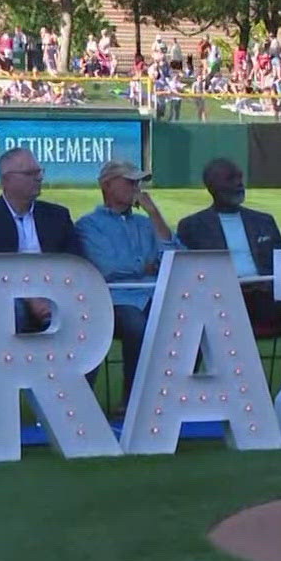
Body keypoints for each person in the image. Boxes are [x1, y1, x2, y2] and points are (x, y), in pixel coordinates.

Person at [77, 158, 178, 401]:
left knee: (189, 321)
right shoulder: (88, 225)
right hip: (115, 299)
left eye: (138, 183)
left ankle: (170, 397)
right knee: (136, 326)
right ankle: (133, 400)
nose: (137, 188)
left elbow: (176, 259)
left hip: (153, 295)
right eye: (130, 182)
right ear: (107, 185)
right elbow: (108, 267)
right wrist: (146, 266)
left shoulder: (146, 223)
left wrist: (155, 214)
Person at [0, 147, 81, 333]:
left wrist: (52, 295)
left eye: (39, 171)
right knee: (11, 313)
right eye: (30, 173)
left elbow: (76, 263)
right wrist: (29, 298)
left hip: (55, 292)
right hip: (5, 295)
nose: (39, 178)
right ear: (6, 180)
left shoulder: (58, 216)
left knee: (80, 314)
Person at [174, 157, 281, 330]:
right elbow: (187, 274)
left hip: (265, 294)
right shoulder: (192, 226)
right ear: (211, 186)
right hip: (220, 299)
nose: (239, 184)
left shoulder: (264, 221)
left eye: (240, 178)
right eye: (230, 179)